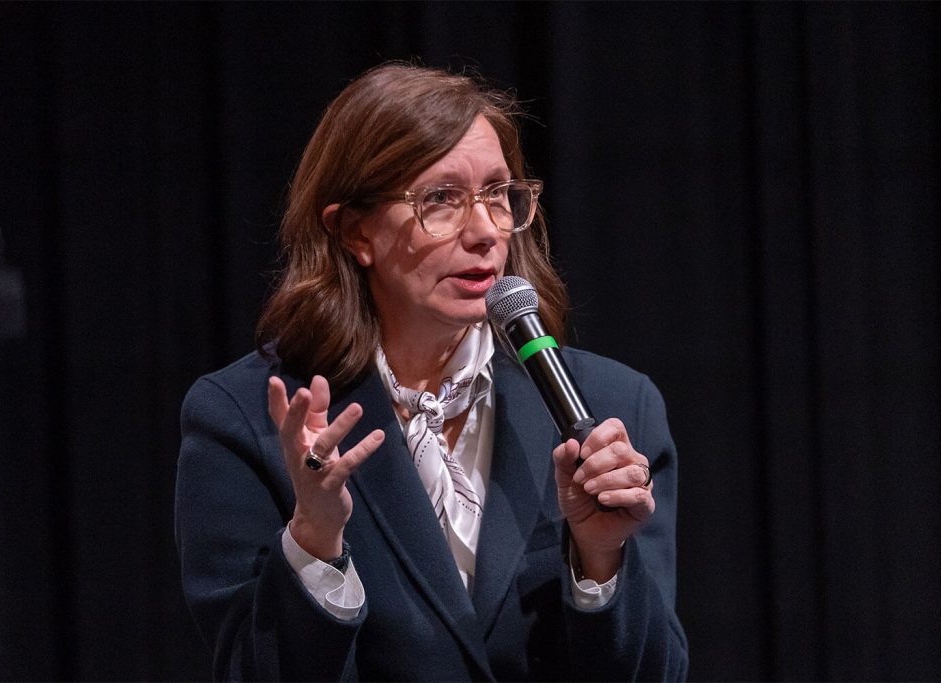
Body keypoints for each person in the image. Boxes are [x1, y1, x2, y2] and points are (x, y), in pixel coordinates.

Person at [175, 62, 688, 681]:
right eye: (440, 200)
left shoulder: (614, 408)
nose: (484, 233)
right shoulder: (248, 418)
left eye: (499, 195)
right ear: (353, 230)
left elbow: (657, 674)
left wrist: (601, 564)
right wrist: (313, 542)